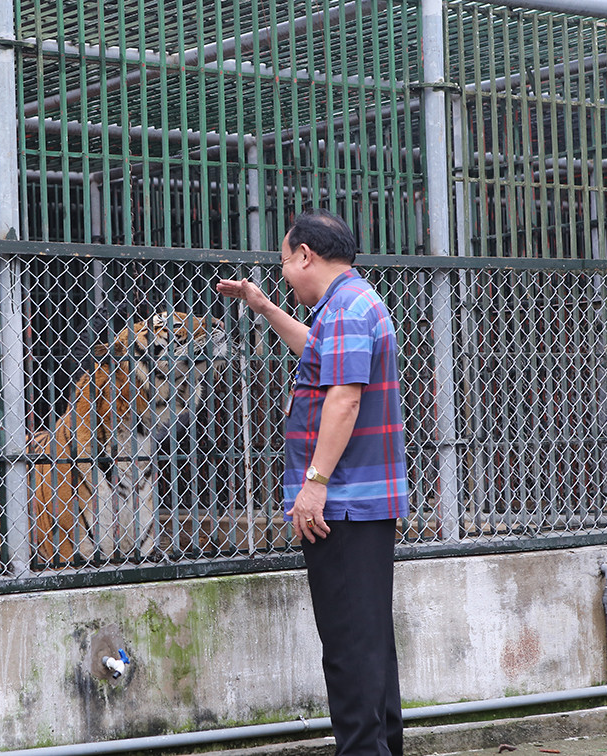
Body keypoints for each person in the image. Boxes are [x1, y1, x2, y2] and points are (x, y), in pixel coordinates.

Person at [216, 209, 409, 756]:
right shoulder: (351, 303)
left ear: (306, 255)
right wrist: (264, 306)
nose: (283, 273)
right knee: (368, 645)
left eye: (284, 262)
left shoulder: (347, 309)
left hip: (343, 505)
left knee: (349, 649)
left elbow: (344, 399)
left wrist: (315, 483)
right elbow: (317, 353)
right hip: (359, 504)